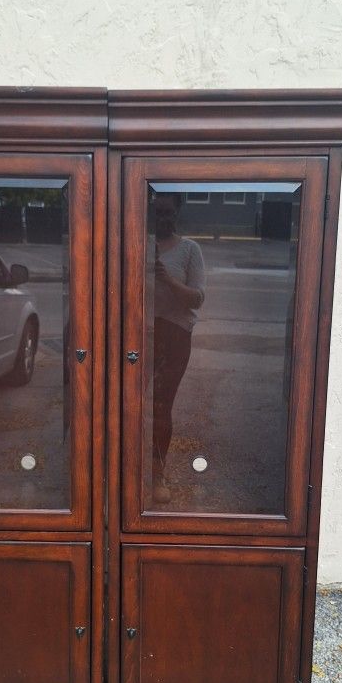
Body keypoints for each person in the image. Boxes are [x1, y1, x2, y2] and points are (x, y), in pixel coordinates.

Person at [151, 192, 205, 503]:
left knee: (160, 406)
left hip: (174, 336)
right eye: (157, 213)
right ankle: (128, 466)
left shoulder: (189, 250)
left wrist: (168, 280)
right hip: (139, 332)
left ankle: (157, 472)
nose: (163, 219)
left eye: (169, 212)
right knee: (129, 406)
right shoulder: (138, 243)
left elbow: (198, 298)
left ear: (178, 212)